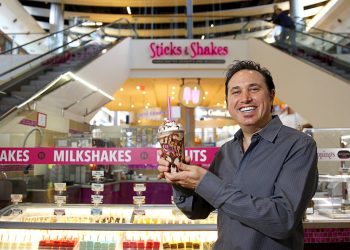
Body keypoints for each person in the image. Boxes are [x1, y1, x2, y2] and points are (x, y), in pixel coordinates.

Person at [158, 60, 318, 249]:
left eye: (254, 89)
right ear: (228, 103)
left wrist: (207, 183)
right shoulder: (226, 151)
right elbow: (198, 210)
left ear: (272, 95)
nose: (245, 98)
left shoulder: (299, 145)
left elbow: (283, 219)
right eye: (236, 92)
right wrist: (181, 182)